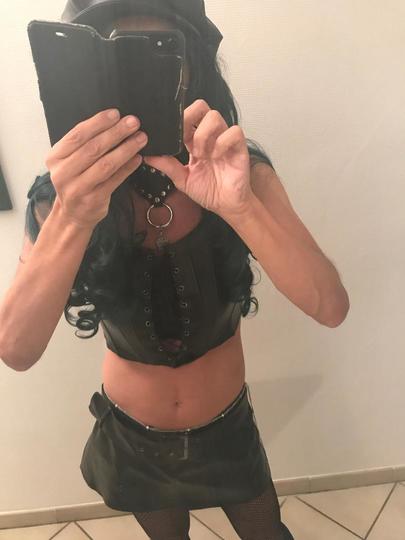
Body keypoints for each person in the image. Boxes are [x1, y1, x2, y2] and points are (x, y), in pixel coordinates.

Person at [4, 1, 347, 538]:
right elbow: (15, 349)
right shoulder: (62, 199)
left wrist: (240, 208)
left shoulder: (240, 174)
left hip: (229, 428)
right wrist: (73, 214)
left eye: (161, 54)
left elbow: (330, 307)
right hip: (132, 438)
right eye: (120, 56)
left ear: (194, 69)